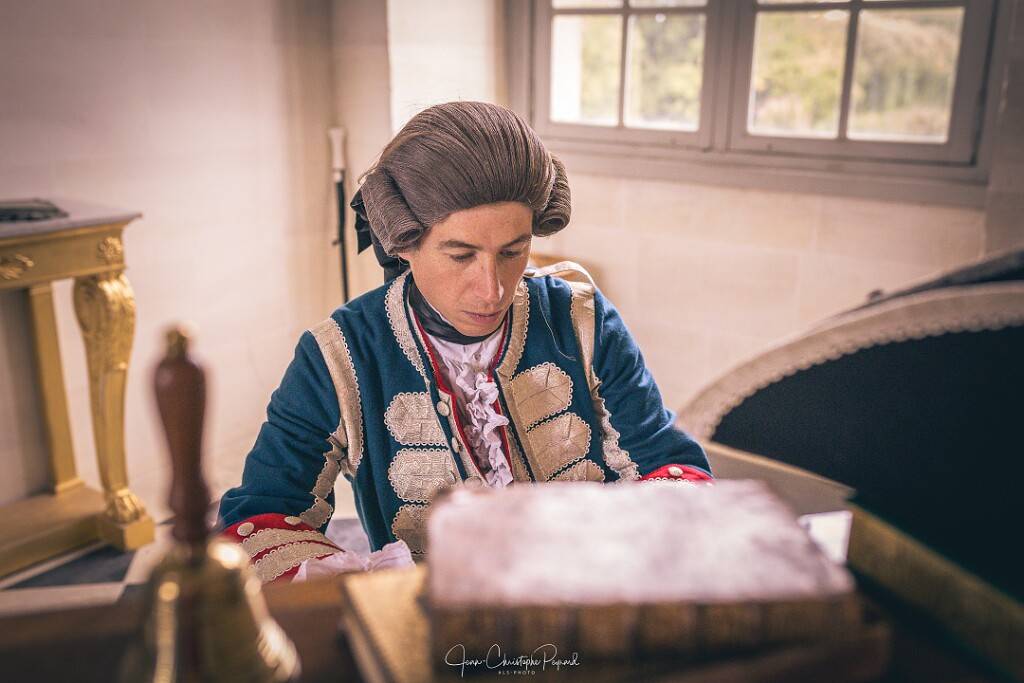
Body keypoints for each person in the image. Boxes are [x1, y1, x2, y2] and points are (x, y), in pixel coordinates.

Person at [218, 101, 712, 582]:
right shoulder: (339, 356)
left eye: (513, 252)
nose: (492, 290)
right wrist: (370, 586)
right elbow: (260, 518)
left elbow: (669, 465)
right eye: (460, 256)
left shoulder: (580, 320)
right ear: (404, 241)